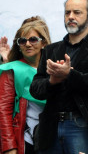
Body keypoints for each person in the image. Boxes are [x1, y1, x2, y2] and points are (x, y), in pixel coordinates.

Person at [30, 0, 88, 154]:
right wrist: (52, 82)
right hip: (50, 128)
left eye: (77, 12)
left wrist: (69, 75)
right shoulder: (50, 49)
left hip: (83, 125)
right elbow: (35, 89)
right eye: (67, 12)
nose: (71, 16)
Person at [0, 18, 51, 154]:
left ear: (43, 43)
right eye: (22, 41)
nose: (28, 44)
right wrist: (9, 147)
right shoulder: (11, 69)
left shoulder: (54, 69)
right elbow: (3, 111)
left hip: (54, 140)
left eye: (33, 39)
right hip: (25, 141)